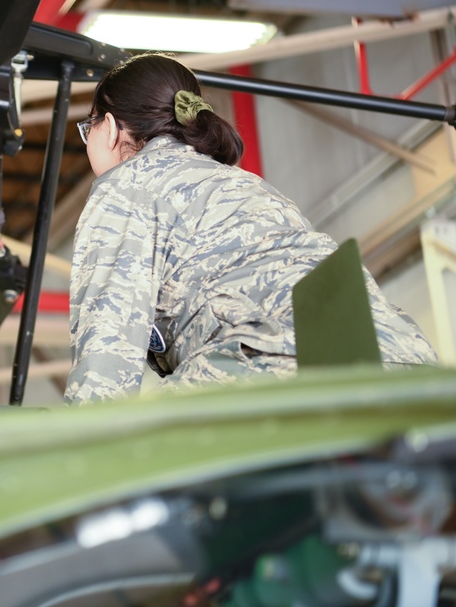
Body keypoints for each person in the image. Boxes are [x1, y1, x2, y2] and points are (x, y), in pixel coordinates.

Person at [65, 53, 436, 404]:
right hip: (402, 361)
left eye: (89, 127)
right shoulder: (249, 184)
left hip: (285, 368)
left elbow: (105, 362)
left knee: (140, 434)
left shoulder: (126, 185)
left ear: (111, 128)